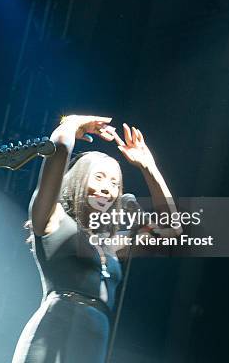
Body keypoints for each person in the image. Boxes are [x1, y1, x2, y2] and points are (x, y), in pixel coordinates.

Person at [12, 115, 178, 363]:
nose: (106, 188)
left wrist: (148, 167)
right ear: (79, 179)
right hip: (53, 333)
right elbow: (55, 161)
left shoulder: (112, 244)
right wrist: (70, 126)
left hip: (93, 341)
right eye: (98, 177)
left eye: (114, 183)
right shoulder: (53, 220)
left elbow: (171, 232)